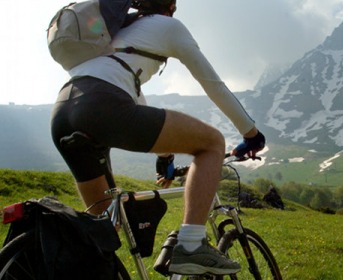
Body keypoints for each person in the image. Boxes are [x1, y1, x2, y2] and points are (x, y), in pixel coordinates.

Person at [50, 0, 265, 275]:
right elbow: (213, 85)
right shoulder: (168, 26)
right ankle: (190, 246)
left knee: (102, 232)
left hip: (63, 111)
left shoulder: (117, 31)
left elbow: (136, 101)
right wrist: (251, 133)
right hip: (102, 103)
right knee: (212, 143)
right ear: (171, 6)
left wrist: (165, 158)